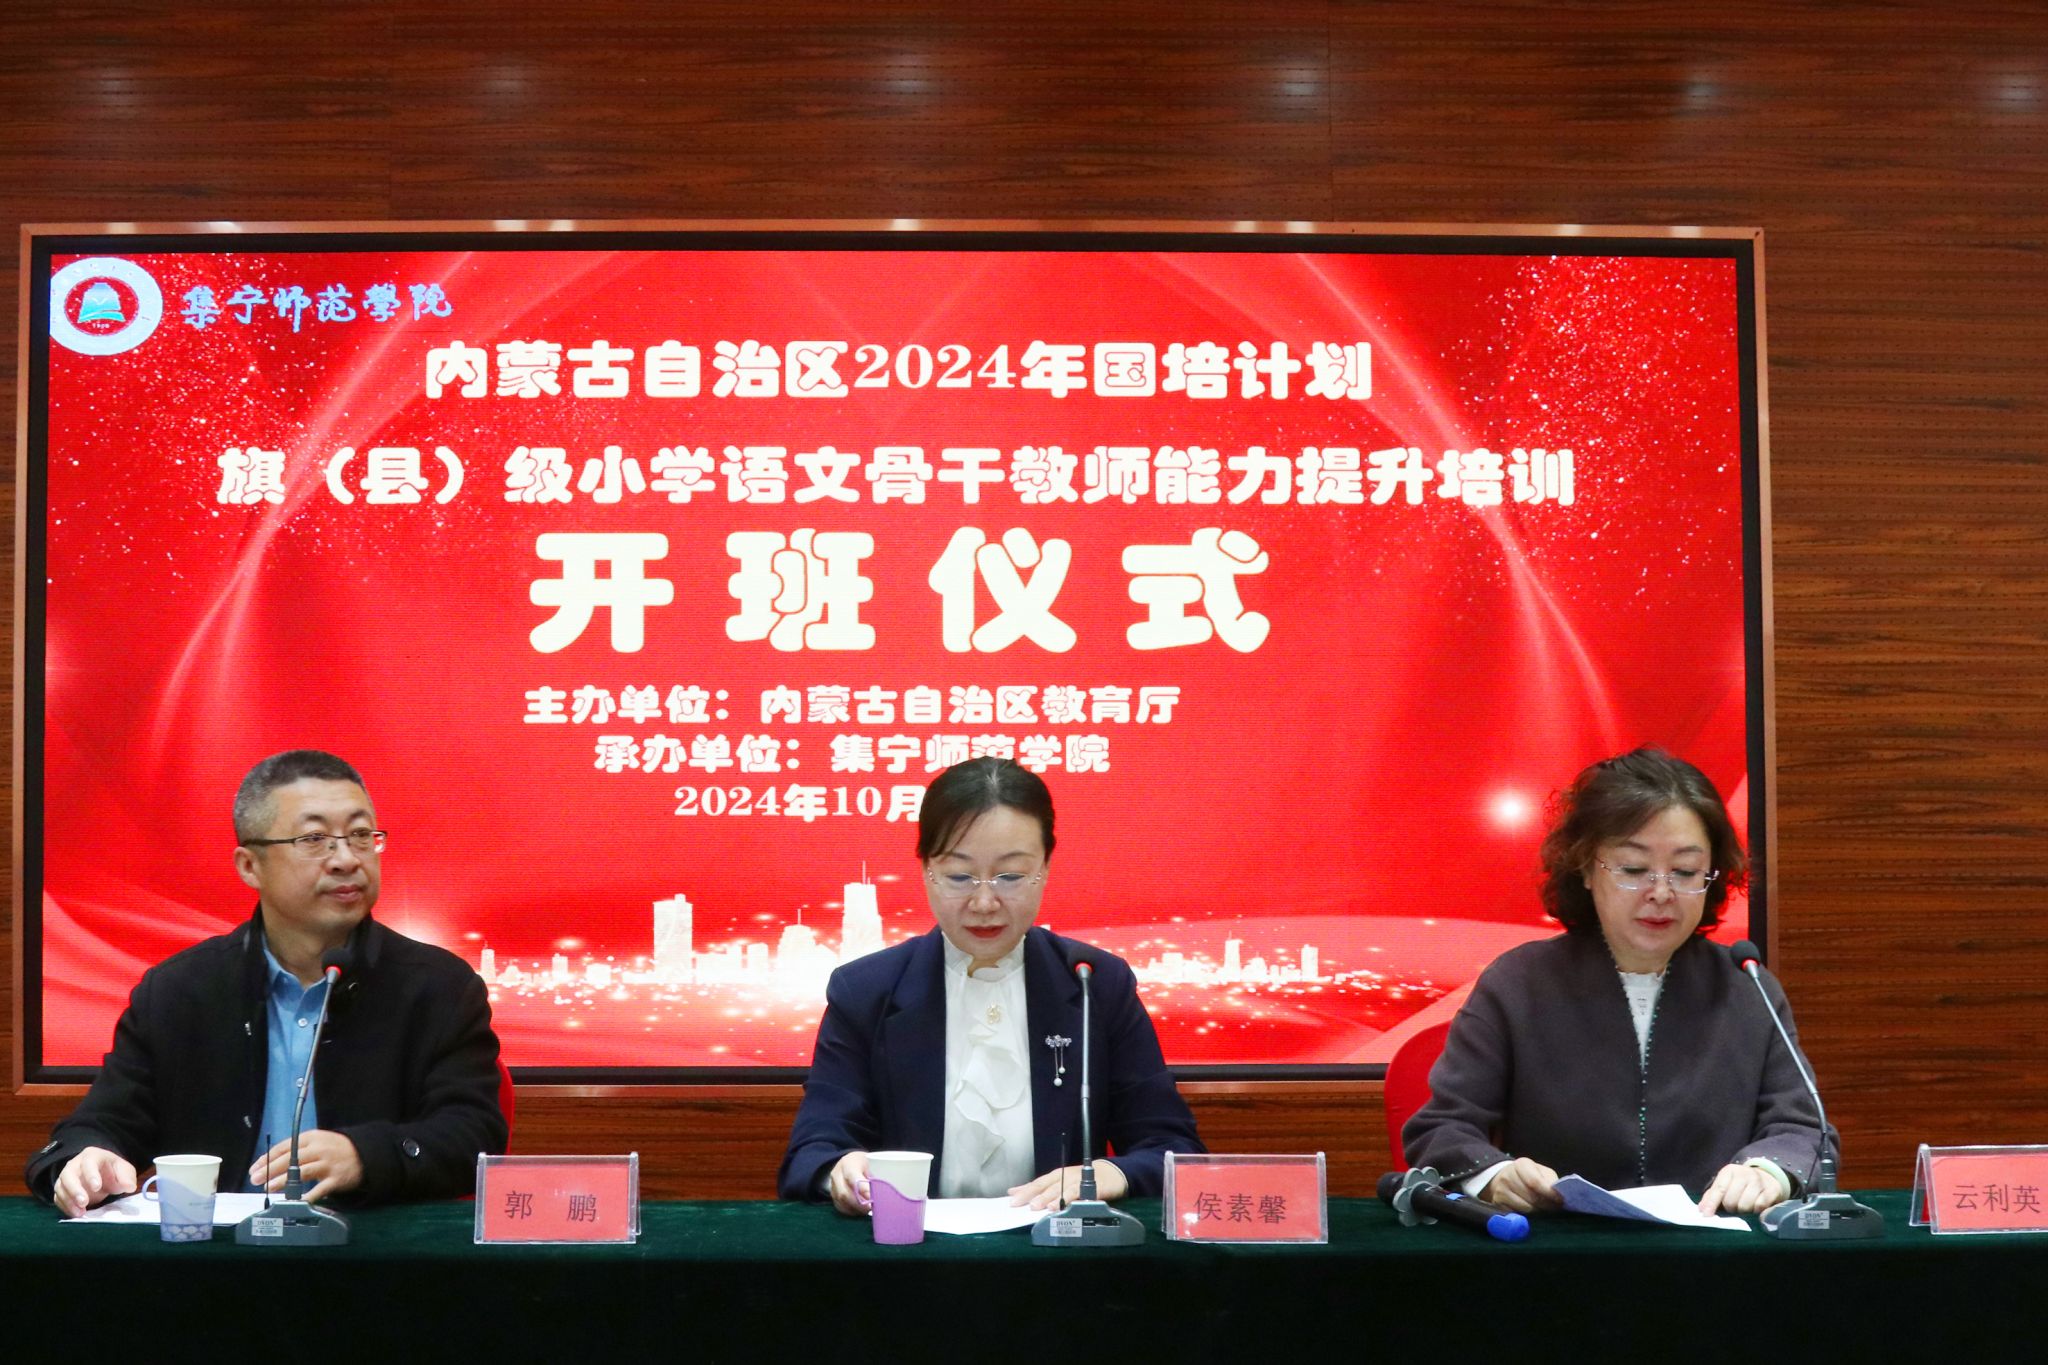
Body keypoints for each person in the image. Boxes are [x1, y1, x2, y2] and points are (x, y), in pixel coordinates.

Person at [27, 750, 506, 1215]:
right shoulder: (179, 992)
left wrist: (365, 1156)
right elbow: (104, 1122)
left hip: (372, 1251)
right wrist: (86, 1159)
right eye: (314, 839)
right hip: (215, 1256)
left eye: (361, 835)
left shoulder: (439, 988)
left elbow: (474, 1136)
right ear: (249, 866)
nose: (346, 859)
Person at [1402, 747, 1836, 1217]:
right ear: (1586, 868)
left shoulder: (1746, 986)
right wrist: (1493, 1176)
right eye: (1633, 869)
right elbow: (1442, 1128)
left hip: (1710, 1247)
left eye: (1685, 872)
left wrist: (1767, 1171)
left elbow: (1804, 1130)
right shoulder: (1518, 984)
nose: (1661, 892)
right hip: (1557, 1244)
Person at [779, 758, 1204, 1213]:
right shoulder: (865, 991)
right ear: (926, 870)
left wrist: (1112, 1173)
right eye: (959, 877)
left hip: (1056, 1245)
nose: (984, 902)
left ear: (1045, 867)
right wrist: (841, 1170)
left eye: (1011, 877)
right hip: (910, 1249)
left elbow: (1173, 1148)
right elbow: (812, 1152)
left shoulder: (1095, 985)